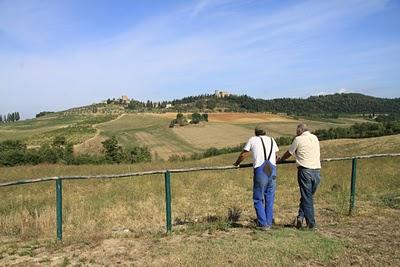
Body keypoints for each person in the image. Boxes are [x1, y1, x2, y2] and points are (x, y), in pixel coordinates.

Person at [234, 125, 279, 230]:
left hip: (260, 169)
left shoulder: (253, 140)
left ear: (255, 132)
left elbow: (243, 155)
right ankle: (269, 221)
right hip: (272, 169)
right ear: (265, 132)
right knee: (270, 197)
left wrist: (236, 163)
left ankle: (263, 224)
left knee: (258, 198)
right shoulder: (272, 140)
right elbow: (277, 155)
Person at [277, 123, 321, 229]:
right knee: (307, 197)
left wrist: (281, 159)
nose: (296, 132)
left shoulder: (298, 139)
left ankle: (311, 223)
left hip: (305, 171)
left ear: (300, 130)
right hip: (317, 171)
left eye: (297, 131)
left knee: (307, 198)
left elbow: (289, 152)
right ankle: (300, 218)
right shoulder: (315, 138)